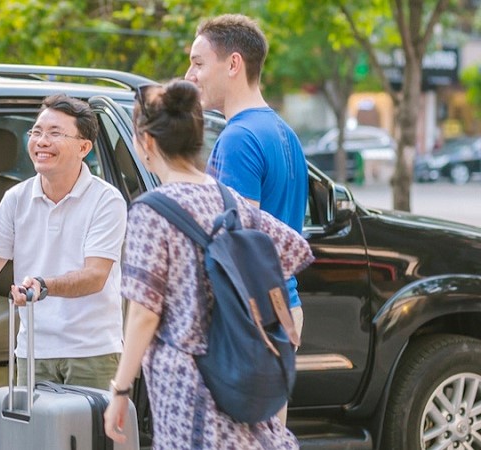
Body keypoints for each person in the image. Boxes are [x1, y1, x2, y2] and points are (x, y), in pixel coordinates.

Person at [103, 80, 313, 449]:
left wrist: (120, 389)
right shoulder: (227, 197)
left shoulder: (150, 211)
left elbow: (143, 313)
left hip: (185, 382)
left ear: (146, 142)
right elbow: (294, 249)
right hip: (237, 367)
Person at [0, 94, 127, 390]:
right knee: (36, 437)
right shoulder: (16, 198)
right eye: (36, 132)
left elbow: (96, 276)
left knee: (90, 438)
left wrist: (44, 285)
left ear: (84, 147)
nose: (41, 141)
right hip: (33, 348)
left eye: (55, 133)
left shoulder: (106, 200)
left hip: (91, 351)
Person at [184, 15, 309, 422]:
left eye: (199, 63)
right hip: (282, 308)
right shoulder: (284, 133)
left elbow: (239, 246)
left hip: (247, 321)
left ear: (233, 64)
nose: (191, 75)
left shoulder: (238, 140)